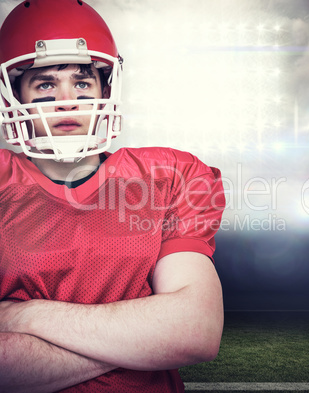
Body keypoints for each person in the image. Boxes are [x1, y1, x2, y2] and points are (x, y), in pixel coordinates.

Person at [0, 1, 225, 392]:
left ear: (106, 88)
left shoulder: (170, 176)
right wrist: (144, 339)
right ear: (14, 95)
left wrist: (24, 317)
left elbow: (195, 330)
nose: (67, 99)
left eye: (82, 82)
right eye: (46, 84)